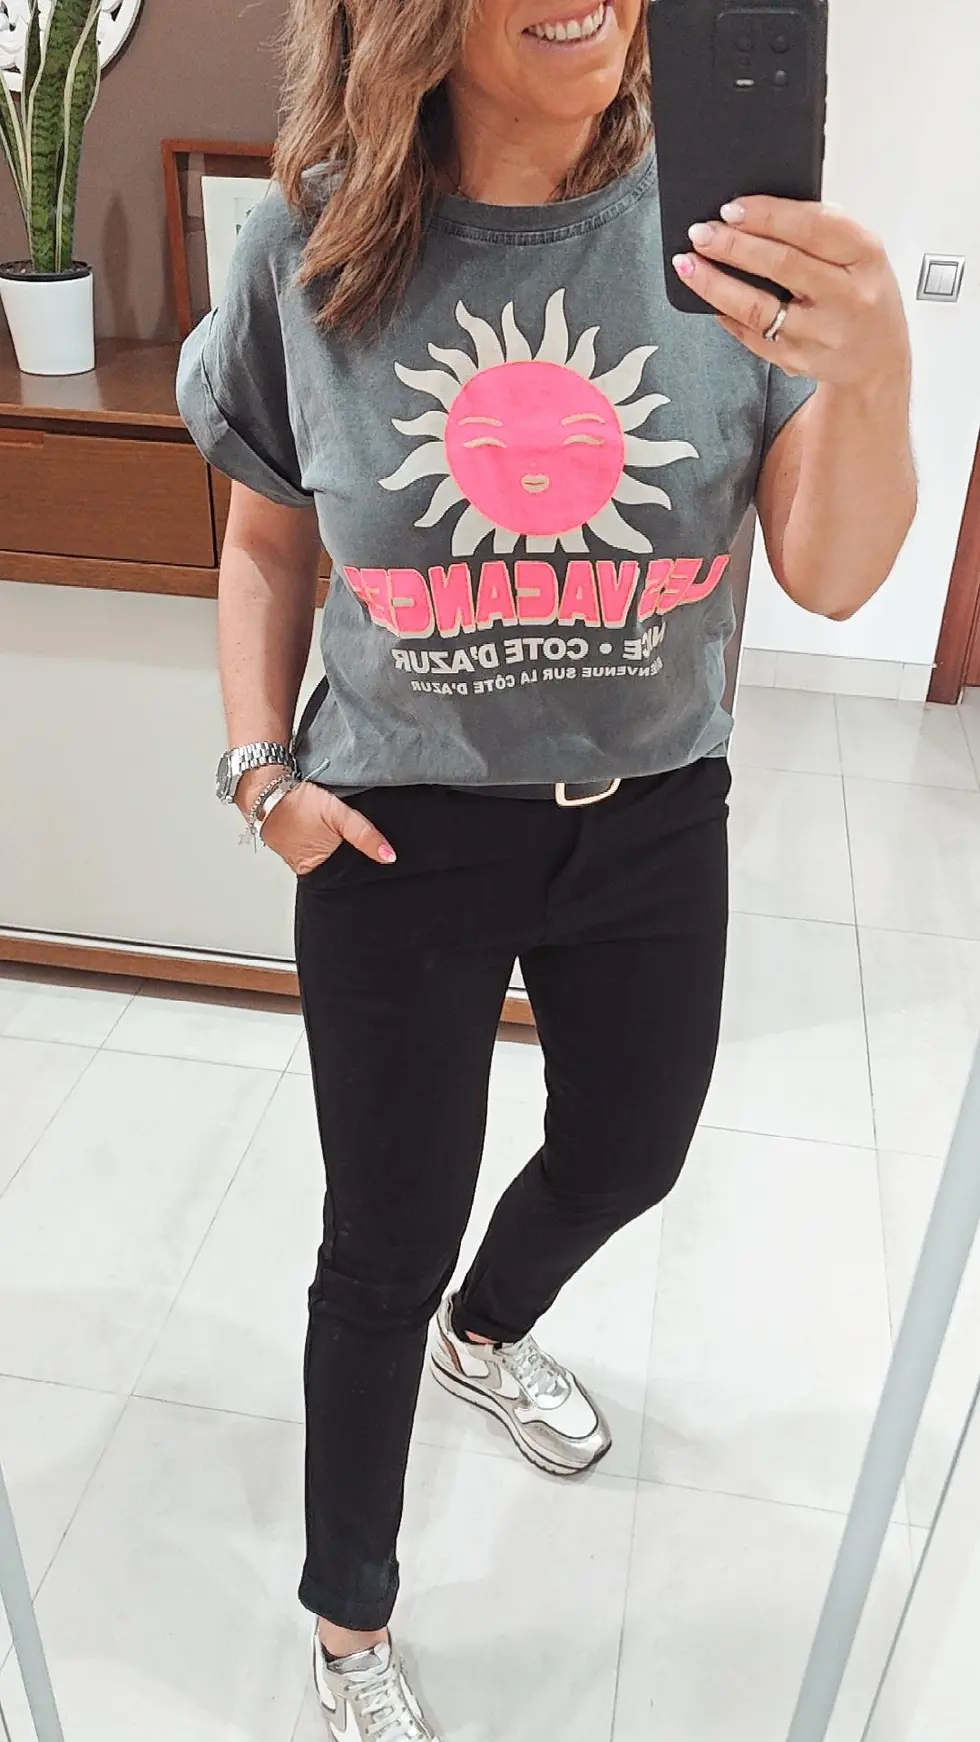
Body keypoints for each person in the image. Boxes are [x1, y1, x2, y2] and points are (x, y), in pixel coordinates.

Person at [178, 0, 916, 1733]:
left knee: (630, 1150)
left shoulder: (725, 236)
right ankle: (350, 1621)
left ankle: (492, 1328)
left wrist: (876, 369)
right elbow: (264, 538)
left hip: (650, 814)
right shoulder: (310, 242)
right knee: (382, 1247)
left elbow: (830, 570)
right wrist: (258, 771)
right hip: (397, 831)